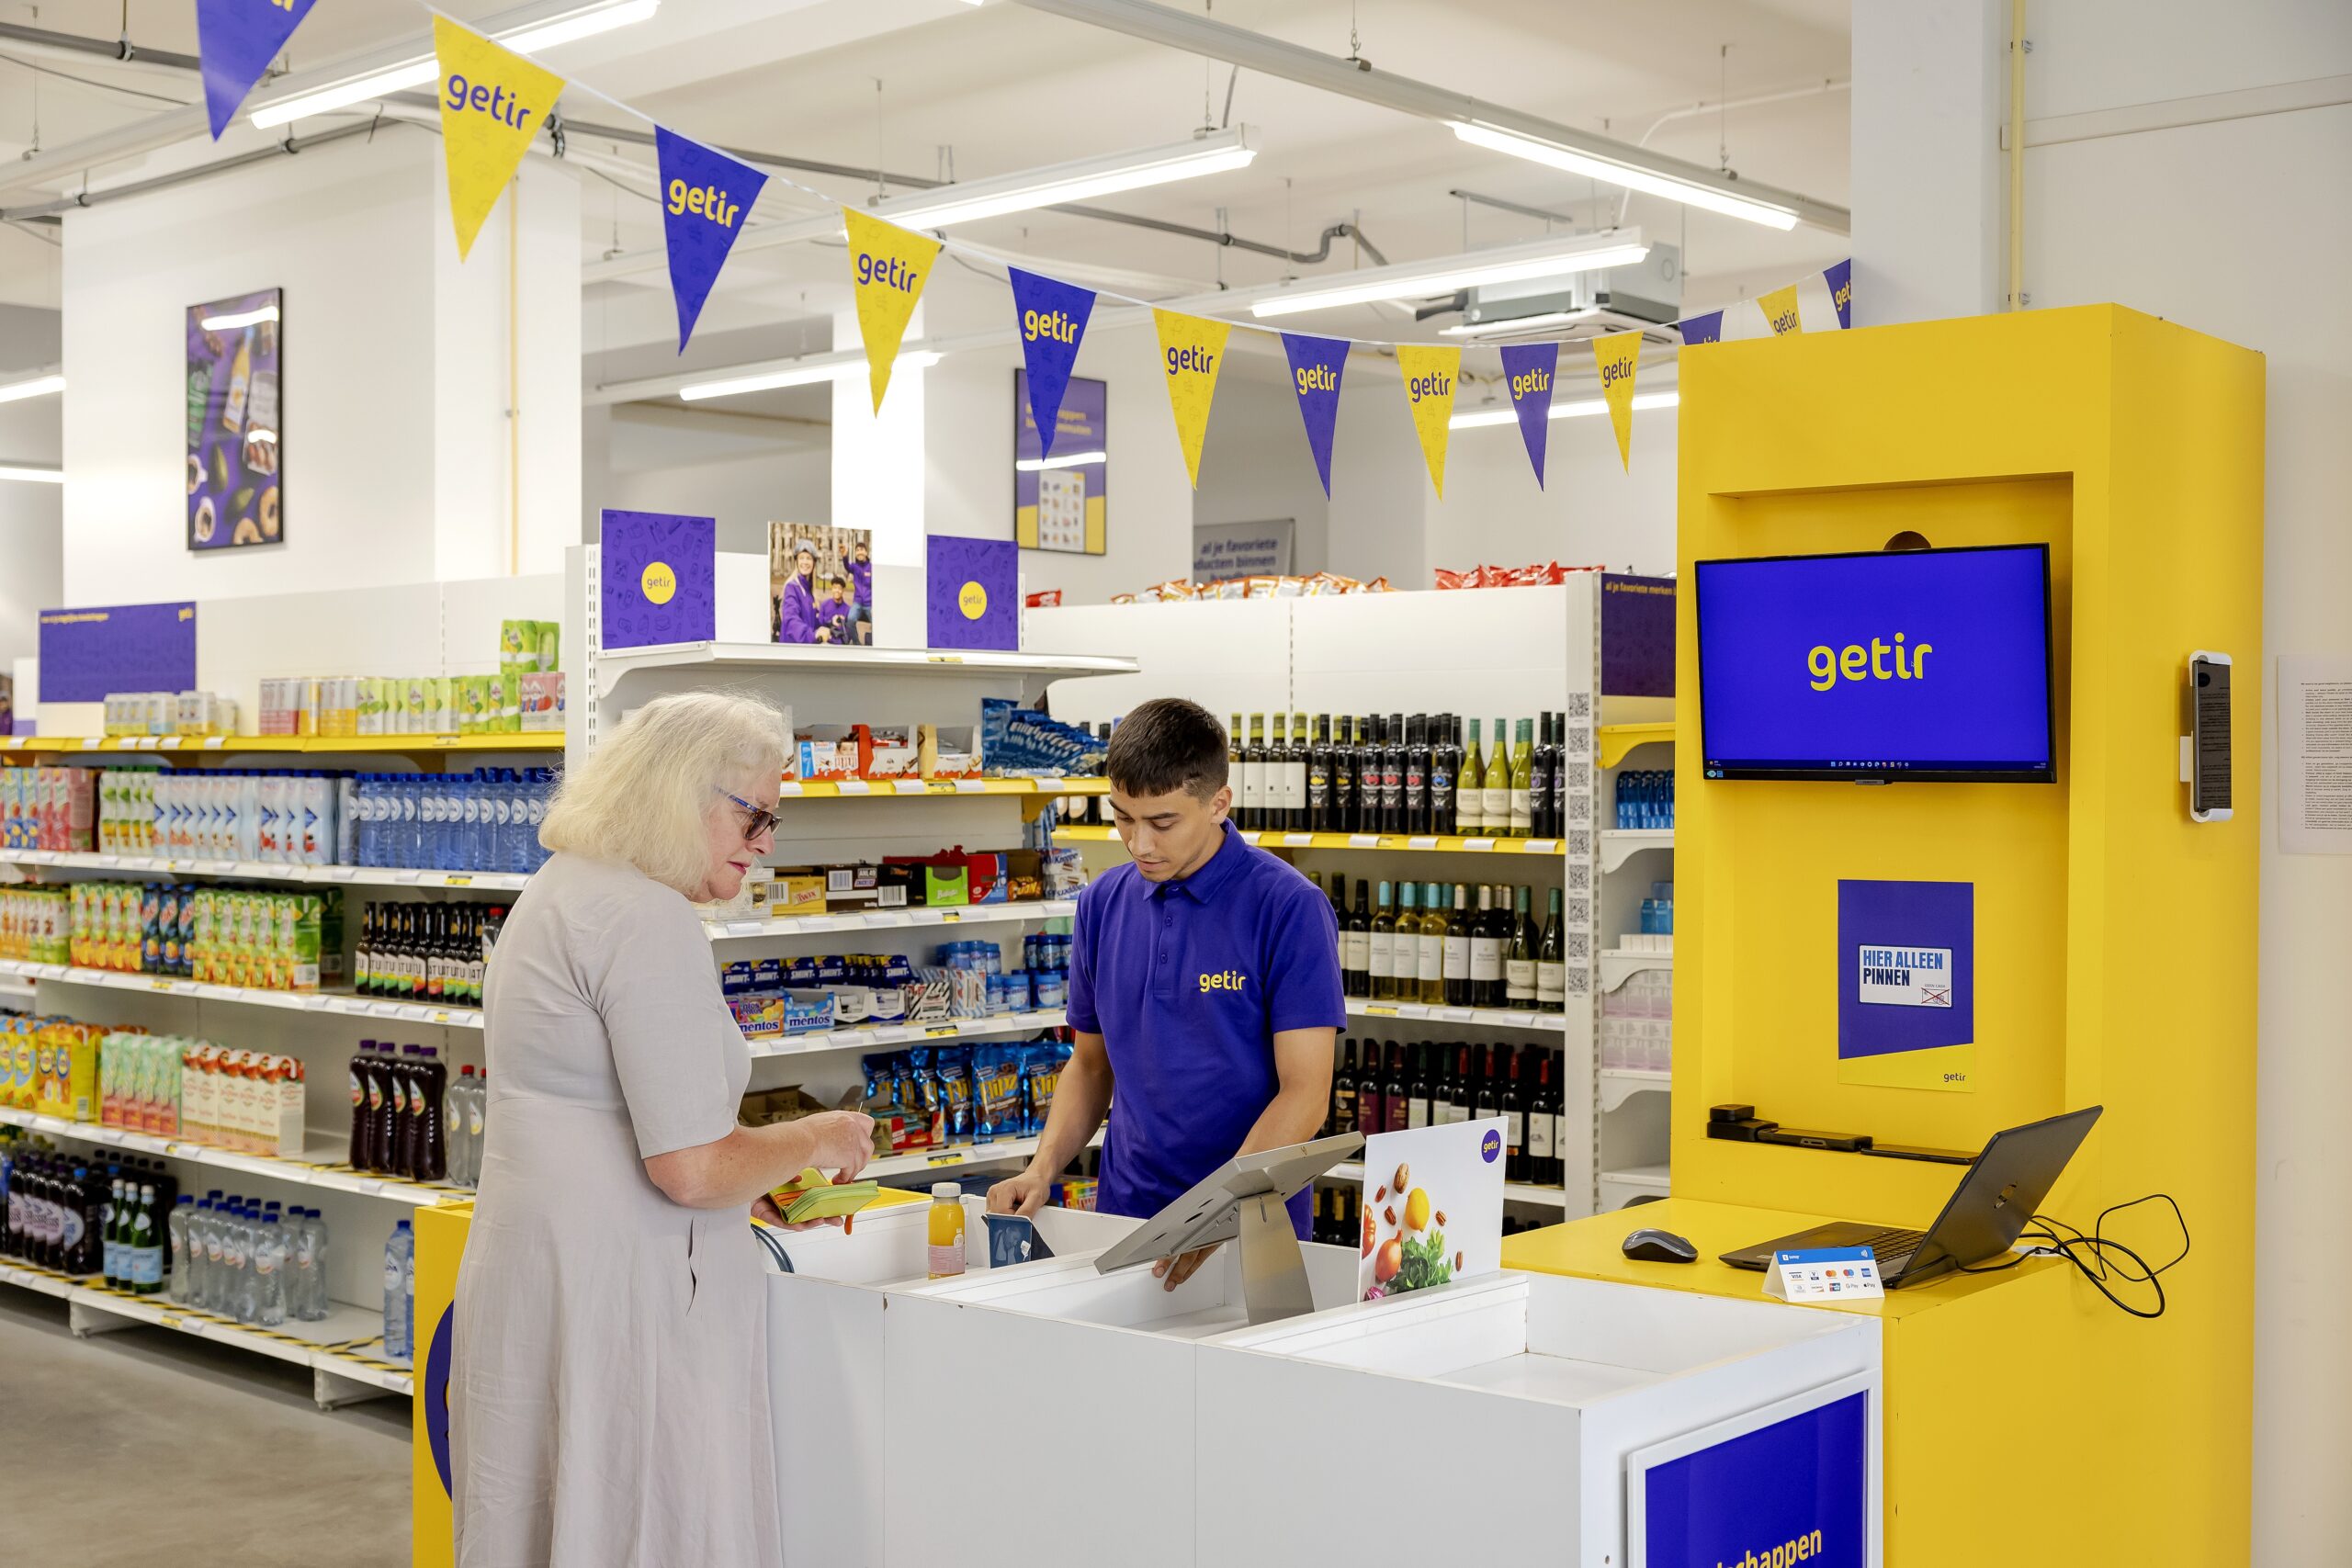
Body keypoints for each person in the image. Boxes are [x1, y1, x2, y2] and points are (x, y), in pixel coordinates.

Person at [451, 691, 876, 1567]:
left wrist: (747, 1186)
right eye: (753, 812)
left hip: (549, 1267)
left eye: (774, 819)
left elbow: (606, 1118)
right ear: (683, 791)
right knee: (638, 1514)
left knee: (543, 1508)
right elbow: (689, 1164)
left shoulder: (562, 887)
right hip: (625, 1294)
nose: (764, 842)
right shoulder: (647, 918)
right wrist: (819, 1138)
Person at [989, 699, 1341, 1288]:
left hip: (1254, 1226)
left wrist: (1218, 1212)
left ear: (1218, 803)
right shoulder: (1101, 904)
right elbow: (1090, 1065)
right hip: (1124, 1218)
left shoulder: (1288, 908)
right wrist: (1043, 1167)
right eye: (1123, 817)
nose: (1138, 843)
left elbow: (1305, 1096)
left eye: (1163, 822)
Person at [775, 541, 820, 644]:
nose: (805, 562)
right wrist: (812, 635)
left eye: (808, 558)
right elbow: (791, 619)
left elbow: (814, 621)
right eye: (801, 558)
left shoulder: (810, 592)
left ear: (813, 563)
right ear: (796, 562)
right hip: (793, 649)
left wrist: (830, 622)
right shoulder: (792, 587)